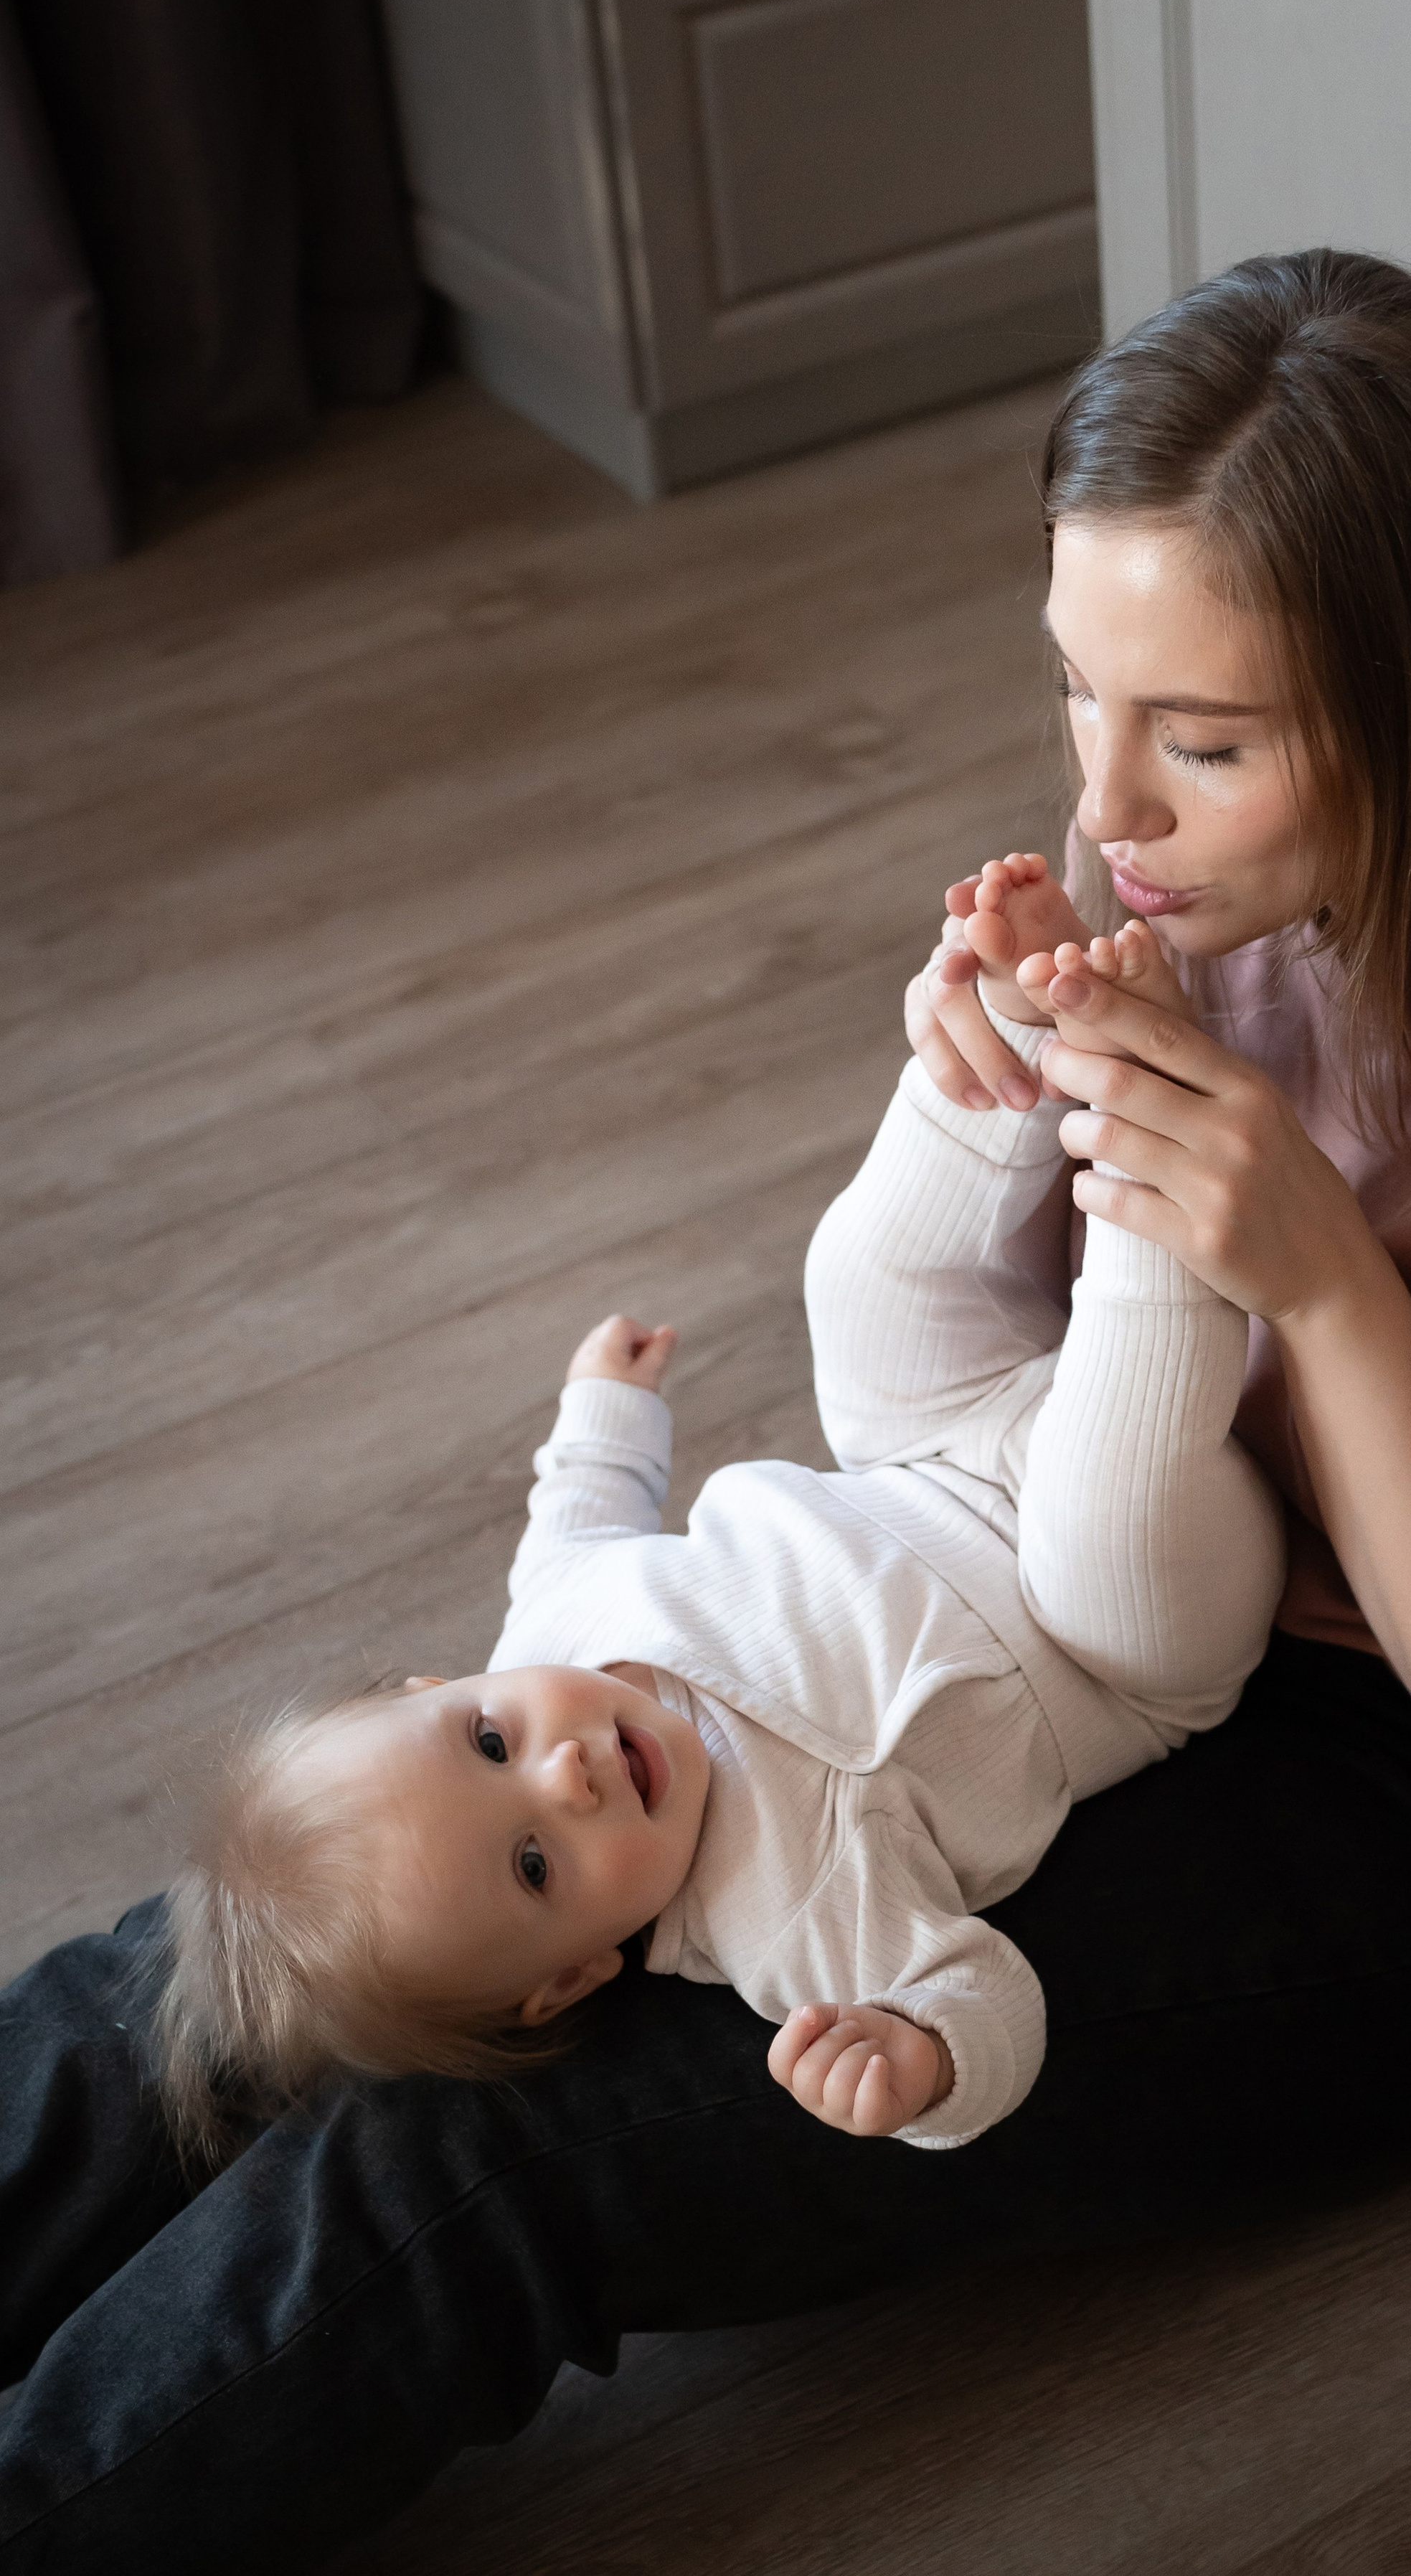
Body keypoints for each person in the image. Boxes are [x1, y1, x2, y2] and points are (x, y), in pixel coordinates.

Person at [4, 246, 1411, 2574]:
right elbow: (997, 1358)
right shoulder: (1211, 901)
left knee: (482, 2158)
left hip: (1394, 1806)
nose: (1109, 804)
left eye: (1201, 734)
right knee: (310, 1928)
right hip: (1011, 1575)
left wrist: (1327, 1290)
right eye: (1082, 690)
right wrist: (969, 1103)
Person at [152, 918, 1282, 2163]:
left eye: (488, 1740)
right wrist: (923, 2065)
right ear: (576, 1977)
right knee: (1115, 1493)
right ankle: (1154, 1125)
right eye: (535, 1864)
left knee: (857, 1290)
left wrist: (605, 1412)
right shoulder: (780, 1915)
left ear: (444, 1683)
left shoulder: (555, 1626)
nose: (564, 1775)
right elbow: (985, 2001)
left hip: (928, 1455)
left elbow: (575, 1517)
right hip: (1105, 1632)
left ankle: (1009, 1029)